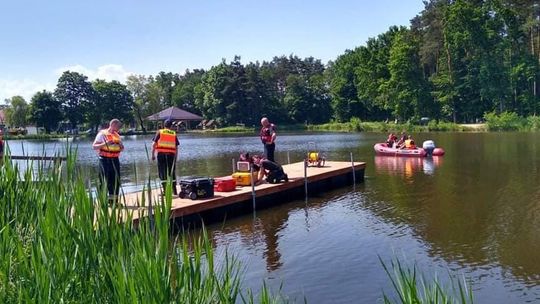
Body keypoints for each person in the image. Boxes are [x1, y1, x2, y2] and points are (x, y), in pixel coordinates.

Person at [93, 119, 124, 204]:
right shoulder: (102, 134)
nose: (119, 128)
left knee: (115, 181)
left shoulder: (117, 135)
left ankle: (113, 201)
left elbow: (122, 148)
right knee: (104, 180)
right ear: (113, 124)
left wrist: (121, 146)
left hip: (115, 160)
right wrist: (105, 143)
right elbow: (94, 146)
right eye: (118, 126)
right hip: (105, 160)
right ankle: (102, 201)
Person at [152, 119, 180, 195]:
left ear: (164, 125)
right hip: (171, 155)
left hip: (161, 155)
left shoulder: (159, 132)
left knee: (162, 173)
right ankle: (175, 191)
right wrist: (176, 158)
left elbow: (153, 144)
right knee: (172, 173)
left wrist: (152, 155)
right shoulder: (173, 133)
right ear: (171, 126)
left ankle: (165, 191)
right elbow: (176, 147)